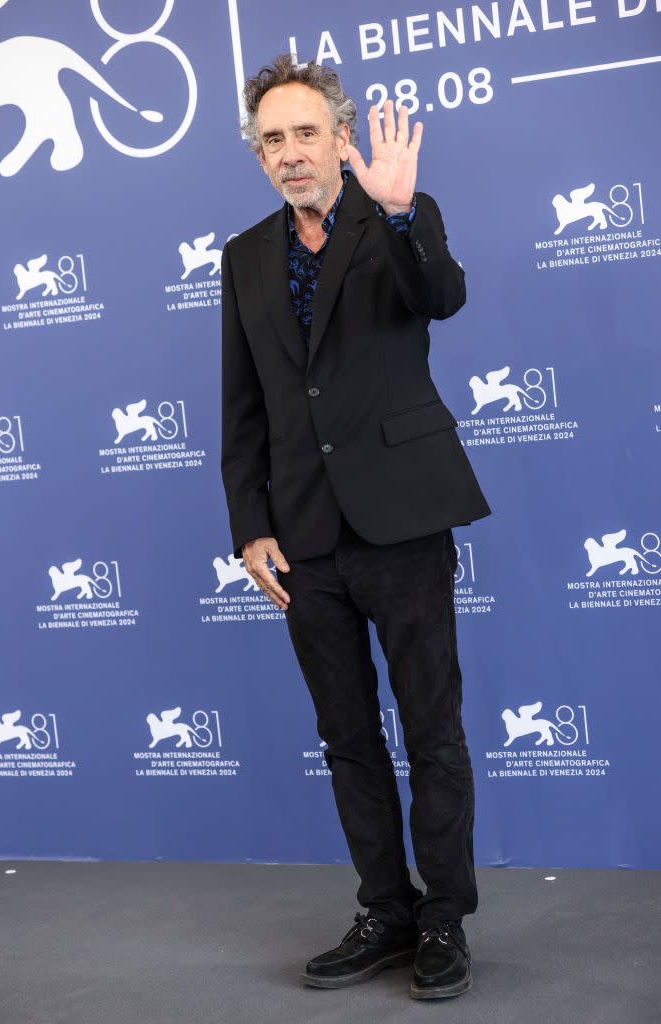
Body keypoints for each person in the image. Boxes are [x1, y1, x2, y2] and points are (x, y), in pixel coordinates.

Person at [220, 53, 491, 1000]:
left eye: (305, 133)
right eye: (272, 140)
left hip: (403, 520)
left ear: (340, 137)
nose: (290, 153)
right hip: (302, 536)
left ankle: (444, 919)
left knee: (433, 731)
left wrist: (405, 215)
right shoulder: (244, 255)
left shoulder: (397, 214)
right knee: (345, 736)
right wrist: (248, 523)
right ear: (258, 155)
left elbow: (440, 297)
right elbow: (244, 401)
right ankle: (386, 909)